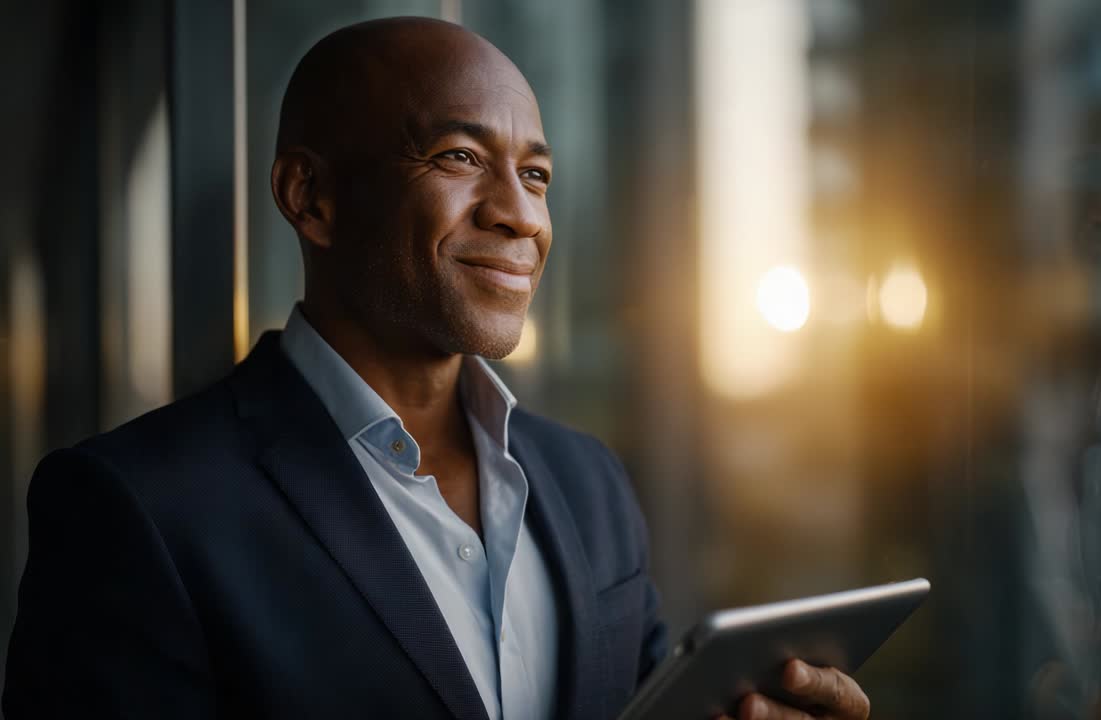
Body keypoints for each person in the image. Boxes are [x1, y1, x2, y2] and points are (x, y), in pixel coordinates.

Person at [3, 17, 870, 720]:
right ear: (312, 197)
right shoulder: (138, 507)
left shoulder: (588, 479)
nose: (520, 215)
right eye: (459, 157)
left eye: (536, 175)